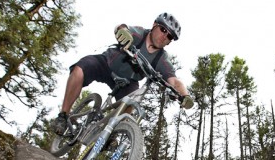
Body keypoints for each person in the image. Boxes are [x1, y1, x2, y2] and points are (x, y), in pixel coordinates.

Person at [52, 12, 194, 134]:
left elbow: (174, 81)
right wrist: (122, 33)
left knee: (130, 106)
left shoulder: (161, 59)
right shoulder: (140, 34)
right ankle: (63, 115)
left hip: (128, 81)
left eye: (169, 36)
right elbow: (122, 28)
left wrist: (185, 95)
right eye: (163, 29)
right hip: (106, 63)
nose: (165, 36)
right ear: (154, 25)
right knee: (80, 69)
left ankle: (109, 135)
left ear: (170, 42)